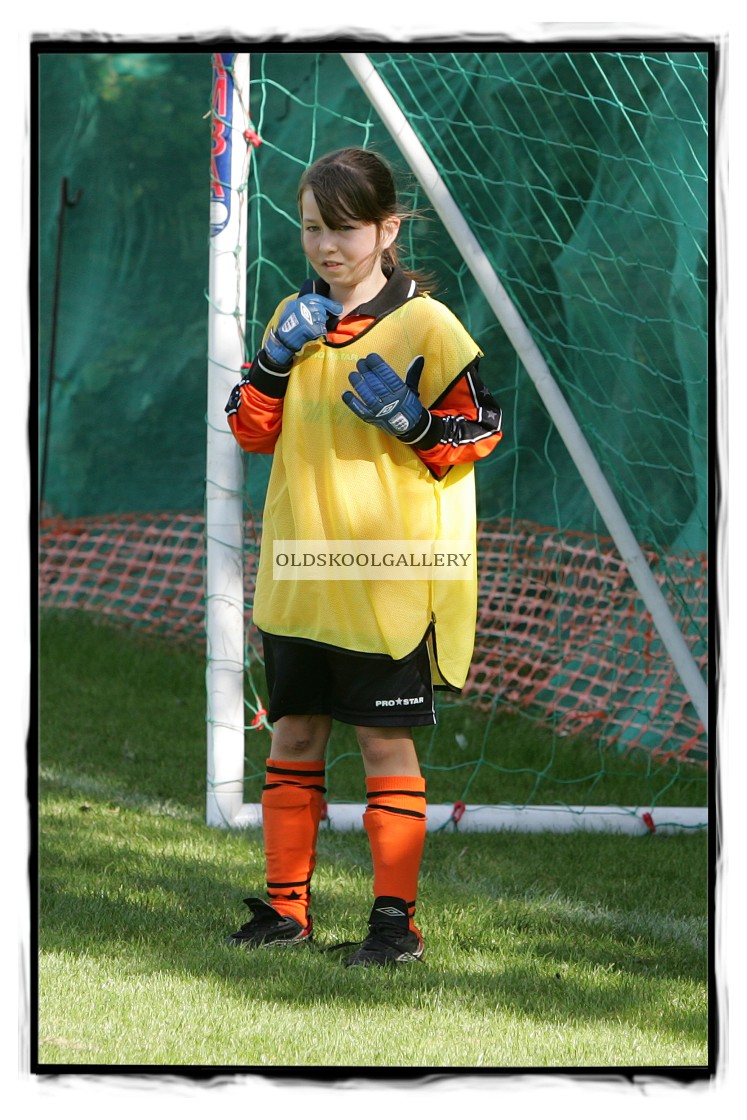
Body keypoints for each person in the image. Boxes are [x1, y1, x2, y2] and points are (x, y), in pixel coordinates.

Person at [224, 147, 503, 967]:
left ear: (387, 229)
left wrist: (416, 424)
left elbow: (481, 432)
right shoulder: (292, 316)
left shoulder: (426, 324)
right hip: (299, 575)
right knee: (293, 736)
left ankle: (394, 926)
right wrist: (273, 362)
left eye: (344, 229)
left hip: (385, 580)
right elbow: (249, 431)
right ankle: (286, 912)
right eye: (312, 228)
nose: (326, 246)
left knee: (384, 747)